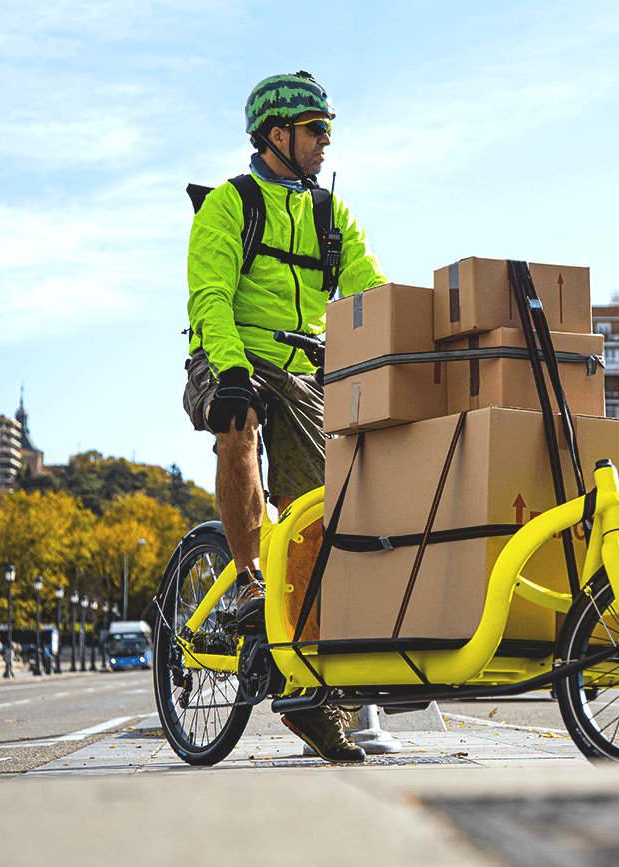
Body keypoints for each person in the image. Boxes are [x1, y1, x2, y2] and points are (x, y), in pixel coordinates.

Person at [183, 71, 389, 763]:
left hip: (303, 369)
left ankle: (307, 695)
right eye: (315, 130)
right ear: (277, 135)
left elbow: (371, 288)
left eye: (330, 130)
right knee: (236, 421)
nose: (326, 142)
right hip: (228, 352)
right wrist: (230, 370)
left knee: (314, 514)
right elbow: (210, 294)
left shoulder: (332, 215)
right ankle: (246, 580)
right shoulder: (229, 206)